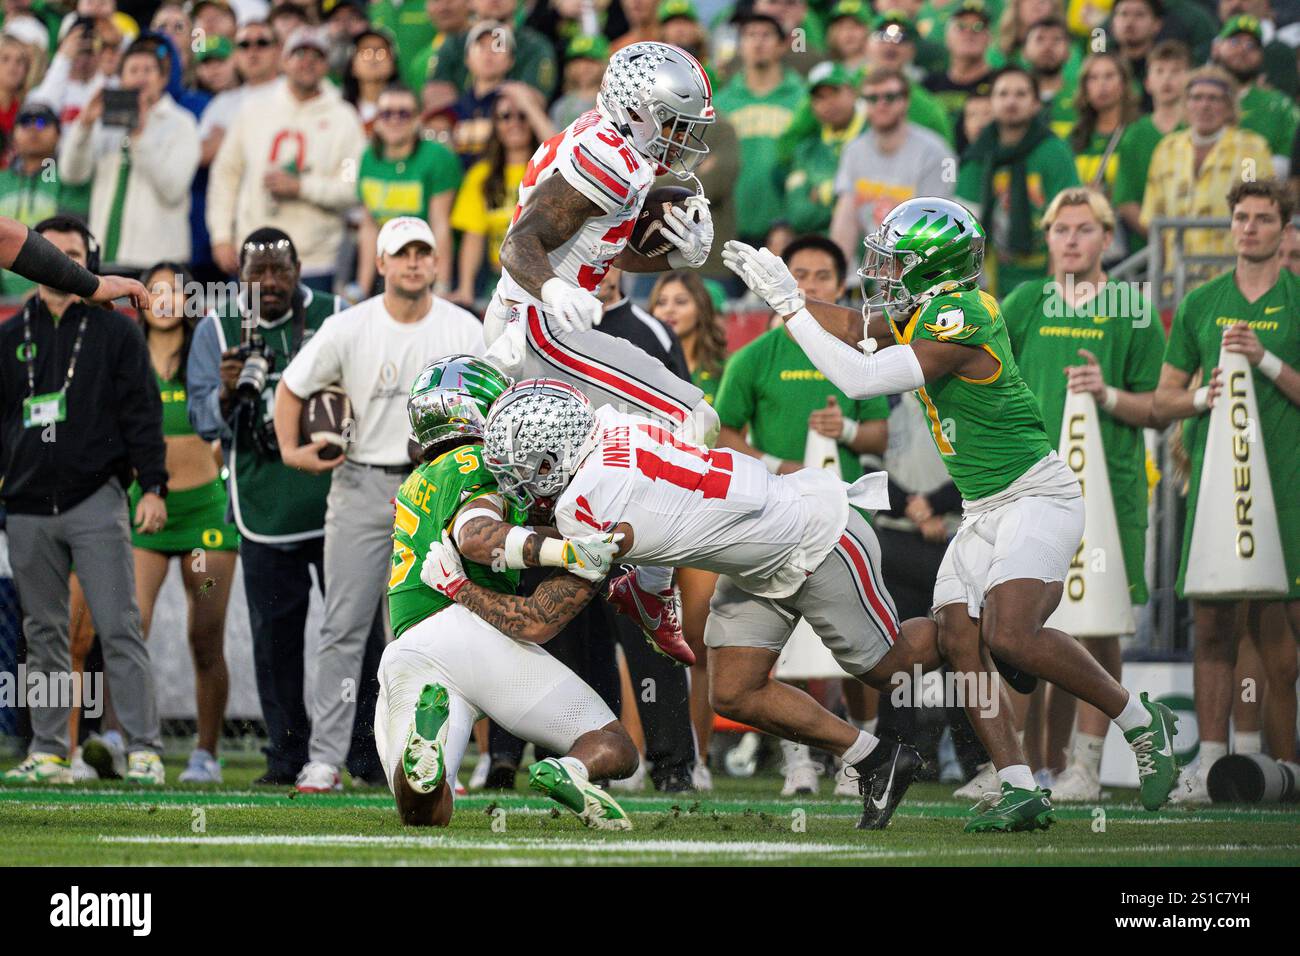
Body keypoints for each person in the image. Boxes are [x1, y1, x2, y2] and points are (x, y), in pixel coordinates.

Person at [721, 196, 1182, 830]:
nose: (883, 272)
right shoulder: (929, 308)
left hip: (1035, 494)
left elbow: (862, 378)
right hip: (984, 506)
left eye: (896, 260)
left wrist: (791, 308)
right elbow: (856, 328)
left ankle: (1139, 719)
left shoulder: (962, 313)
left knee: (1009, 634)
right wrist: (784, 300)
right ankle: (1019, 787)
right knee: (955, 639)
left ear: (931, 265)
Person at [480, 376, 939, 829]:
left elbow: (539, 621)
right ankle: (877, 759)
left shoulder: (582, 505)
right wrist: (653, 589)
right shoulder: (614, 424)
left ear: (554, 455)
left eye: (522, 469)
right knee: (736, 692)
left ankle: (977, 630)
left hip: (816, 538)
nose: (516, 483)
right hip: (756, 557)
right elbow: (661, 511)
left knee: (886, 666)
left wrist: (458, 578)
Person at [480, 41, 722, 665]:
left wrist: (675, 255)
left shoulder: (619, 147)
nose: (680, 139)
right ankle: (648, 589)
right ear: (638, 110)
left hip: (540, 316)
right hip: (538, 324)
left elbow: (601, 243)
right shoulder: (606, 155)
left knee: (630, 458)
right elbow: (520, 244)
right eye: (672, 123)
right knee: (690, 419)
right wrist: (556, 287)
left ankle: (632, 581)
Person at [273, 216, 485, 793]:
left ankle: (430, 758)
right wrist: (292, 451)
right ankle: (324, 759)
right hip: (361, 479)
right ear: (383, 263)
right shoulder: (351, 325)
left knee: (427, 629)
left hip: (438, 483)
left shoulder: (465, 328)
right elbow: (290, 387)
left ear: (437, 263)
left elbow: (496, 401)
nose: (413, 262)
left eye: (423, 252)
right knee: (343, 624)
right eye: (402, 253)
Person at [381, 356, 639, 828]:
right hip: (472, 633)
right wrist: (568, 554)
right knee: (615, 746)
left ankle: (427, 741)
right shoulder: (480, 459)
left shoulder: (415, 481)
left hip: (409, 646)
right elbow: (474, 533)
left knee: (423, 809)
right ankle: (570, 769)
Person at [1000, 188, 1167, 800]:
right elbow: (989, 378)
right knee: (1023, 615)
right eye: (1059, 229)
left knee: (1098, 621)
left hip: (1110, 487)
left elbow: (1160, 405)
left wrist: (1108, 395)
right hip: (1030, 487)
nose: (1070, 240)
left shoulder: (1133, 307)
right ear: (1046, 238)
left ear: (1105, 238)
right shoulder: (1024, 301)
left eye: (1084, 229)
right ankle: (1019, 765)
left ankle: (1086, 767)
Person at [0, 216, 165, 786]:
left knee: (118, 624)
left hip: (94, 495)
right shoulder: (9, 332)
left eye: (72, 254)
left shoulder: (116, 332)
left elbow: (143, 413)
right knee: (41, 631)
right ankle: (48, 748)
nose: (60, 263)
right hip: (24, 502)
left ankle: (144, 747)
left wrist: (156, 484)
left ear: (89, 261)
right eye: (52, 253)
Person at [1152, 178, 1300, 802]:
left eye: (1264, 219)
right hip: (1216, 489)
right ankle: (1209, 765)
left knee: (1279, 627)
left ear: (1284, 229)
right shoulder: (1201, 303)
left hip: (1287, 486)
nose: (1250, 228)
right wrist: (1201, 398)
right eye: (1241, 217)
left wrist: (1264, 359)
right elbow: (1163, 400)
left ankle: (1284, 766)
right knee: (1211, 621)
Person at [186, 228, 346, 786]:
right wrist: (227, 394)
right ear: (240, 278)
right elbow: (201, 418)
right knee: (276, 643)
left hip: (337, 502)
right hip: (261, 505)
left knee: (357, 635)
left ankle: (372, 757)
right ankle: (285, 757)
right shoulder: (215, 327)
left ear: (301, 269)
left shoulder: (336, 314)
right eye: (259, 273)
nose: (271, 283)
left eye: (281, 270)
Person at [127, 262, 239, 784]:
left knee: (205, 636)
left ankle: (206, 753)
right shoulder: (125, 352)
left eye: (175, 292)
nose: (166, 301)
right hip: (145, 508)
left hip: (206, 516)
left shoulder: (208, 353)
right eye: (156, 291)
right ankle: (121, 741)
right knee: (130, 627)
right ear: (142, 300)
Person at [207, 26, 364, 289]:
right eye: (299, 54)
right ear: (284, 60)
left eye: (316, 56)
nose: (307, 62)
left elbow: (351, 185)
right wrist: (221, 236)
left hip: (315, 260)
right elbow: (226, 174)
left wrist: (303, 187)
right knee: (250, 330)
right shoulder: (254, 111)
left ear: (327, 65)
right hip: (255, 254)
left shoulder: (344, 119)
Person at [648, 267, 726, 787]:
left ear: (701, 307)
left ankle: (697, 755)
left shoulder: (723, 371)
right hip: (650, 507)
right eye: (662, 301)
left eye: (681, 300)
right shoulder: (642, 367)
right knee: (647, 634)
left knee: (695, 640)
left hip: (704, 509)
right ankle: (642, 753)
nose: (670, 310)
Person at [58, 35, 200, 272]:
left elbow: (173, 189)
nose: (140, 77)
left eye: (148, 70)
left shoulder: (181, 123)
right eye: (133, 70)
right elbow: (72, 174)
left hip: (157, 259)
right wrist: (84, 125)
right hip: (104, 255)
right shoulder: (104, 122)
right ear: (121, 78)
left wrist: (139, 137)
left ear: (163, 78)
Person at [956, 65, 1080, 297]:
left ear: (1036, 104)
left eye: (1021, 94)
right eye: (1003, 94)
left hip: (1047, 280)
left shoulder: (1054, 151)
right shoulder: (977, 156)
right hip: (991, 284)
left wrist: (1056, 289)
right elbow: (964, 229)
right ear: (991, 103)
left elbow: (1069, 220)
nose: (1011, 101)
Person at [1139, 65, 1273, 271]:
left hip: (1231, 278)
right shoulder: (1167, 149)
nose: (1204, 105)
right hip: (1177, 281)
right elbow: (1155, 221)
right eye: (1196, 97)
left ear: (1229, 106)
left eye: (1214, 98)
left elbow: (1262, 212)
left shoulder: (1251, 149)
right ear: (1185, 104)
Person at [830, 66, 955, 270]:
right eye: (872, 98)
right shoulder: (854, 151)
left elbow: (934, 225)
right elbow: (845, 218)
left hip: (927, 268)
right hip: (877, 269)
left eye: (890, 97)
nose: (881, 104)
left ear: (905, 101)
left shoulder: (935, 152)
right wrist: (836, 271)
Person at [354, 82, 462, 299]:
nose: (395, 120)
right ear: (377, 120)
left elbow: (440, 224)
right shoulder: (368, 158)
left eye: (404, 114)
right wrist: (361, 288)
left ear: (418, 118)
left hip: (426, 261)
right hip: (388, 265)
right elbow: (369, 226)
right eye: (387, 114)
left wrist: (441, 286)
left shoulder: (438, 157)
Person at [715, 10, 806, 248]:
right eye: (749, 35)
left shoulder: (803, 99)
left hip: (783, 231)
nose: (757, 42)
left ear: (782, 44)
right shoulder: (721, 102)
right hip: (728, 226)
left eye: (766, 35)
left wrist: (787, 222)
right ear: (740, 44)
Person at [448, 92, 540, 307]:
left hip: (548, 278)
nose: (515, 123)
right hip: (499, 279)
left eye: (523, 115)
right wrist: (465, 288)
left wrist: (531, 104)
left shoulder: (550, 167)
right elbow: (474, 235)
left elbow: (563, 150)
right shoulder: (480, 175)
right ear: (495, 124)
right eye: (505, 116)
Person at [0, 101, 91, 297]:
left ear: (59, 134)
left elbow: (74, 237)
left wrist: (46, 291)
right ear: (13, 135)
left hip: (56, 295)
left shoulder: (69, 178)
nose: (34, 128)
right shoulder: (1, 180)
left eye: (42, 122)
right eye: (25, 122)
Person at [1112, 38, 1188, 254]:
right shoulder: (1134, 134)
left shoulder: (1199, 130)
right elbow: (1125, 200)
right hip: (1145, 251)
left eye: (1176, 71)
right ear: (1147, 82)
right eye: (1160, 71)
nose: (1167, 79)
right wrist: (1162, 241)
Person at [783, 62, 865, 238]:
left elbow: (868, 209)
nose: (828, 103)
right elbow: (799, 216)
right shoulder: (806, 150)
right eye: (819, 97)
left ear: (852, 92)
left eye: (834, 93)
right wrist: (844, 202)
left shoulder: (873, 140)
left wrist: (823, 195)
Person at [1210, 14, 1298, 179]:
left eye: (1252, 45)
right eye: (1235, 41)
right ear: (1216, 47)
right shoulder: (1195, 98)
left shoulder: (1279, 106)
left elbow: (1287, 163)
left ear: (1261, 56)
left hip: (1256, 195)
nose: (1243, 49)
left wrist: (1247, 177)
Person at [923, 0, 994, 130]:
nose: (969, 33)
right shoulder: (928, 85)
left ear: (990, 38)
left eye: (978, 27)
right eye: (961, 26)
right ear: (947, 37)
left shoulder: (1000, 85)